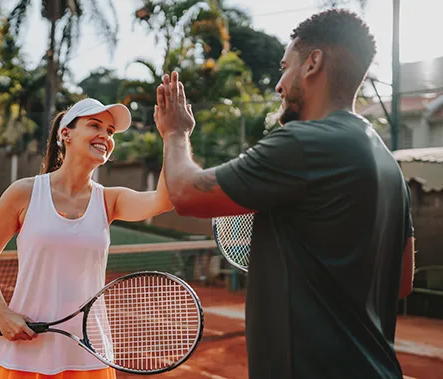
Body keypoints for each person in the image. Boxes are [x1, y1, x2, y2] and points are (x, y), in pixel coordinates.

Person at [153, 9, 414, 379]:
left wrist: (176, 133)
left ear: (313, 64)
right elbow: (401, 284)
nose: (279, 83)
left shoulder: (307, 143)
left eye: (284, 66)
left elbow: (184, 193)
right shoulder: (389, 166)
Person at [0, 98, 174, 378]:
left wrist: (173, 136)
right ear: (65, 133)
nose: (105, 135)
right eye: (95, 125)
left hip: (89, 354)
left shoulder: (109, 200)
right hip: (23, 354)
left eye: (111, 131)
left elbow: (163, 200)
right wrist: (2, 314)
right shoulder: (24, 193)